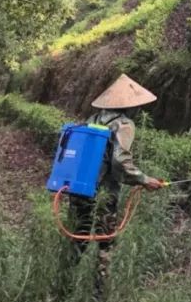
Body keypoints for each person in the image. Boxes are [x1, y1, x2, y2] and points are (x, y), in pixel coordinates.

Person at [70, 74, 165, 253]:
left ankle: (67, 277)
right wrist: (144, 179)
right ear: (129, 106)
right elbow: (120, 160)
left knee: (77, 239)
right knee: (105, 244)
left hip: (79, 186)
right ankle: (100, 279)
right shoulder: (123, 124)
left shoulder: (93, 119)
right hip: (103, 193)